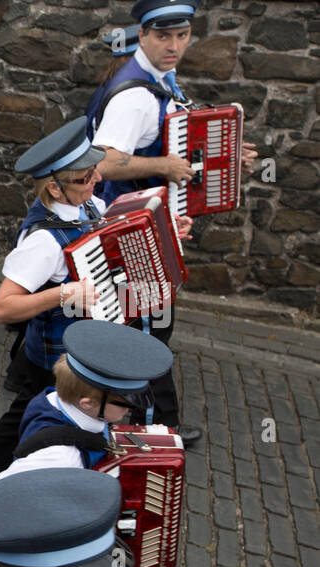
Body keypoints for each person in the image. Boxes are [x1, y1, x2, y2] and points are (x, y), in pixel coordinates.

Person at [0, 116, 190, 499]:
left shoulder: (89, 203)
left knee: (30, 412)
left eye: (95, 171)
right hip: (54, 353)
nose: (95, 181)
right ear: (54, 188)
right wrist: (62, 295)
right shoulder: (43, 242)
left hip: (77, 346)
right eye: (83, 178)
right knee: (28, 414)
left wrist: (167, 230)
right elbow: (2, 308)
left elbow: (115, 242)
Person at [86, 0, 255, 440]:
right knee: (149, 327)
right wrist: (165, 166)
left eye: (181, 35)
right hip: (126, 223)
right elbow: (103, 163)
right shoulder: (139, 97)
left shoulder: (156, 80)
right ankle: (154, 426)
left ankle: (31, 371)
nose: (174, 45)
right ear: (142, 35)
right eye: (163, 36)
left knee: (135, 319)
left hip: (137, 220)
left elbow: (178, 132)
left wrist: (229, 155)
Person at [0, 320, 173, 483]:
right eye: (126, 404)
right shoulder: (62, 457)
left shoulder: (54, 399)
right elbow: (6, 490)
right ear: (88, 403)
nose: (130, 410)